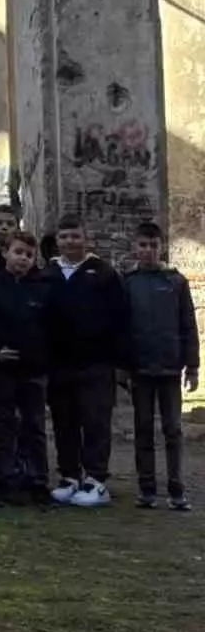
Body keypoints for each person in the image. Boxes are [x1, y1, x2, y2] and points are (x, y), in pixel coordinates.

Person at [44, 214, 126, 508]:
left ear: (86, 238)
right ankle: (69, 477)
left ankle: (96, 481)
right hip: (59, 365)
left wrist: (119, 362)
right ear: (57, 241)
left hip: (96, 364)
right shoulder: (48, 274)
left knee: (95, 422)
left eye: (75, 236)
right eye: (64, 237)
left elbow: (120, 318)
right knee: (64, 422)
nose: (70, 241)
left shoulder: (103, 273)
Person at [123, 219, 199, 511]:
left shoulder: (176, 282)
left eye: (153, 246)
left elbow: (188, 324)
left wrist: (192, 366)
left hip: (170, 368)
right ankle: (147, 489)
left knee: (173, 429)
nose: (148, 251)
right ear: (135, 248)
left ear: (161, 247)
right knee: (143, 428)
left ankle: (177, 489)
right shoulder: (128, 283)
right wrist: (122, 366)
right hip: (140, 369)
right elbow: (122, 326)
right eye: (143, 245)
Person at [0, 230, 50, 503]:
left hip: (33, 369)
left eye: (29, 255)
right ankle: (2, 479)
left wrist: (40, 358)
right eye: (18, 252)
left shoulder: (43, 288)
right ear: (6, 253)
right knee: (3, 424)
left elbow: (48, 330)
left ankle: (38, 479)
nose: (23, 259)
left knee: (35, 425)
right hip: (0, 369)